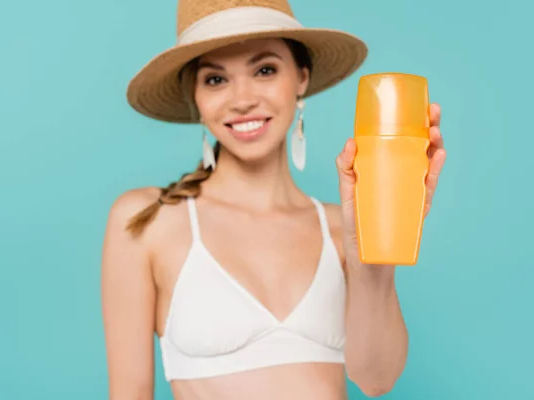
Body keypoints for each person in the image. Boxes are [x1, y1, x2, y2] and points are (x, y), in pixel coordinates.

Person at [101, 0, 446, 399]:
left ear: (301, 78)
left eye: (264, 70)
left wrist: (375, 256)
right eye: (216, 80)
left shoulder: (341, 227)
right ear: (195, 95)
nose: (242, 99)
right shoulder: (149, 220)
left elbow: (377, 379)